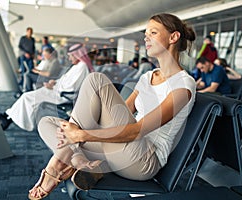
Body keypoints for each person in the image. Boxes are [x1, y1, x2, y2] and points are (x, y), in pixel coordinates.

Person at [28, 13, 197, 199]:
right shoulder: (147, 77)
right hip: (122, 148)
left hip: (143, 160)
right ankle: (82, 163)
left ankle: (59, 164)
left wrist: (82, 135)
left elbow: (136, 131)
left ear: (173, 37)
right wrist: (83, 131)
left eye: (153, 32)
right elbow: (120, 113)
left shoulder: (183, 85)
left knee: (95, 79)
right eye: (146, 33)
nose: (146, 37)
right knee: (46, 122)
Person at [0, 43, 93, 131]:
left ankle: (8, 117)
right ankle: (7, 117)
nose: (69, 58)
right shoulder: (78, 66)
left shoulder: (82, 67)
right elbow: (65, 81)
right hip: (56, 90)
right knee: (27, 97)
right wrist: (54, 82)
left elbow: (71, 87)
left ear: (77, 55)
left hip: (61, 95)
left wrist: (54, 86)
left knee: (27, 97)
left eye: (71, 56)